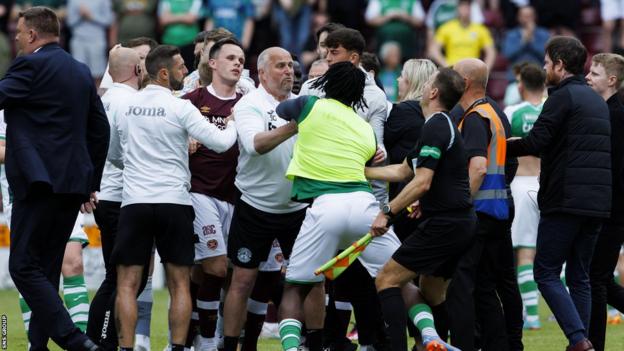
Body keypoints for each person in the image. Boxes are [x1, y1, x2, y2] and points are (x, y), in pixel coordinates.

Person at [107, 44, 238, 351]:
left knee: (127, 284)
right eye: (180, 67)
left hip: (135, 202)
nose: (186, 72)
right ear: (164, 73)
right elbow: (220, 144)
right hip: (174, 203)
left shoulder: (126, 106)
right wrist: (232, 124)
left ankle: (126, 348)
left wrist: (137, 165)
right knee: (180, 283)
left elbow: (113, 154)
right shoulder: (180, 106)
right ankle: (177, 348)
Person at [275, 61, 402, 351]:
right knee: (399, 278)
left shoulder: (308, 104)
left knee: (296, 287)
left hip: (325, 205)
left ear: (326, 84)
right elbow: (368, 160)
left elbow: (283, 111)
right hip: (365, 206)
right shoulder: (366, 129)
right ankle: (428, 334)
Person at [4, 6, 109, 351]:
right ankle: (38, 347)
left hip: (37, 183)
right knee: (46, 269)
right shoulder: (80, 71)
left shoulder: (29, 64)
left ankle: (74, 340)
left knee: (21, 266)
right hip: (72, 185)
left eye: (20, 32)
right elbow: (100, 129)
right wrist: (89, 180)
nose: (17, 38)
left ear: (32, 34)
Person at [507, 36, 611, 351]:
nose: (544, 68)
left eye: (547, 63)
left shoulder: (562, 98)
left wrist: (501, 146)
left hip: (565, 199)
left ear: (560, 65)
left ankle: (578, 340)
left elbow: (537, 141)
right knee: (579, 276)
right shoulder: (596, 100)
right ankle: (581, 341)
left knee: (546, 271)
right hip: (597, 202)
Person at [367, 67, 474, 351]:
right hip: (458, 222)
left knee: (387, 280)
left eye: (427, 83)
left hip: (446, 223)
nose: (423, 87)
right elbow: (404, 171)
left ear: (433, 92)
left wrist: (387, 212)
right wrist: (361, 172)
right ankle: (434, 344)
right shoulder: (437, 124)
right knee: (431, 290)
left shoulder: (436, 124)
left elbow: (422, 182)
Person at [222, 47, 308, 351]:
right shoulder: (250, 105)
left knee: (307, 282)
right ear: (261, 73)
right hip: (255, 207)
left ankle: (314, 343)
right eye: (280, 66)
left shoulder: (303, 103)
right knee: (242, 282)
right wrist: (295, 125)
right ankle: (231, 345)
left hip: (297, 207)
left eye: (290, 66)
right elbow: (255, 144)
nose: (288, 71)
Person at [452, 58, 522, 351]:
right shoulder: (495, 113)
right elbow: (510, 162)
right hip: (499, 210)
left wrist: (460, 203)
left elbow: (478, 168)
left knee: (466, 286)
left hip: (478, 212)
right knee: (494, 284)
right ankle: (507, 344)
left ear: (465, 83)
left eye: (453, 76)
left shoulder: (474, 117)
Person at [181, 37, 245, 351]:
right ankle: (207, 341)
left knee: (225, 272)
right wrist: (185, 141)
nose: (237, 63)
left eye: (241, 60)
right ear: (213, 63)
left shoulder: (249, 103)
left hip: (237, 196)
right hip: (200, 193)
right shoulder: (190, 100)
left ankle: (199, 329)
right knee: (216, 267)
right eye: (231, 58)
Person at [86, 46, 142, 351]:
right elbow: (128, 150)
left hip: (105, 193)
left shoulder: (104, 100)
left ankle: (102, 340)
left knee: (119, 275)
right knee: (121, 277)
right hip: (122, 196)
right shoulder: (131, 103)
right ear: (137, 70)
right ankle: (100, 341)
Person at [585, 53, 624, 351]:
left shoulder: (615, 114)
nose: (588, 77)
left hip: (612, 208)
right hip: (607, 206)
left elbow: (614, 167)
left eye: (595, 73)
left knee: (596, 278)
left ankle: (593, 345)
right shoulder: (606, 110)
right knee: (599, 279)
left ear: (611, 80)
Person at [503, 63, 546, 331]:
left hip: (521, 184)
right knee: (558, 253)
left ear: (520, 84)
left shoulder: (511, 112)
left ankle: (531, 316)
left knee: (524, 254)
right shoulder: (552, 109)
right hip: (548, 184)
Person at [429, 0, 496, 70]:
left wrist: (485, 71)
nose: (465, 9)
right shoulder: (446, 28)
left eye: (467, 6)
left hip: (473, 70)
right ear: (457, 8)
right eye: (462, 6)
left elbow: (491, 52)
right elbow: (433, 50)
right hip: (452, 70)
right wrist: (446, 65)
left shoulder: (481, 29)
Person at [66, 0, 114, 86]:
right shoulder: (73, 1)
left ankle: (97, 98)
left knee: (97, 74)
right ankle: (80, 97)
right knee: (78, 74)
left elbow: (109, 20)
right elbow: (69, 22)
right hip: (78, 40)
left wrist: (91, 16)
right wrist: (80, 16)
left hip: (97, 40)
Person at [501, 6, 550, 81]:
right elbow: (507, 55)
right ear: (518, 17)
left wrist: (532, 41)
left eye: (529, 16)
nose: (527, 19)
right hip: (515, 77)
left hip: (539, 77)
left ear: (535, 17)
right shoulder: (511, 34)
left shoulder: (544, 34)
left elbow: (546, 55)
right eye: (524, 16)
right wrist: (523, 41)